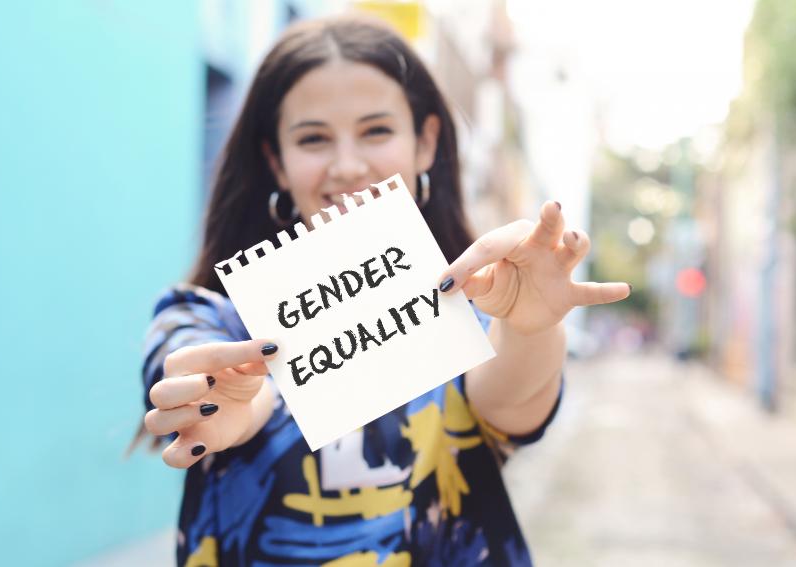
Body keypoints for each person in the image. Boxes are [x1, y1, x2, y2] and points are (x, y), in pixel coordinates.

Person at [137, 15, 630, 567]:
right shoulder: (205, 317)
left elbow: (512, 403)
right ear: (276, 160)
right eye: (313, 138)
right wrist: (226, 404)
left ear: (426, 143)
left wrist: (531, 325)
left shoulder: (475, 306)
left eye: (376, 131)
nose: (347, 166)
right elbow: (188, 371)